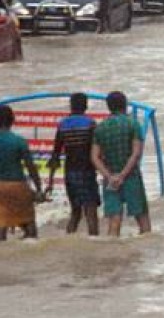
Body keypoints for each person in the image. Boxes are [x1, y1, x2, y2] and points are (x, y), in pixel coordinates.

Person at [0, 105, 44, 241]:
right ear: (13, 120)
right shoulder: (19, 142)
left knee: (1, 226)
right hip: (18, 185)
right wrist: (38, 189)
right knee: (29, 224)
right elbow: (31, 168)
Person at [92, 91, 151, 236]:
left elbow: (94, 157)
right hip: (131, 176)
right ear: (125, 105)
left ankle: (112, 255)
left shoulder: (100, 128)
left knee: (114, 219)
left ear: (109, 107)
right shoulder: (133, 124)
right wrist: (123, 175)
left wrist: (110, 176)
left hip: (110, 179)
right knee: (142, 220)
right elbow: (136, 153)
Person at [46, 93, 100, 236]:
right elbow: (98, 151)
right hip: (87, 172)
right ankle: (94, 243)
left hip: (70, 173)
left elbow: (55, 155)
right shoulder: (90, 124)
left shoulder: (63, 125)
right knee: (91, 211)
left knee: (75, 212)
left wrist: (50, 182)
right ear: (86, 106)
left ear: (71, 105)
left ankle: (69, 237)